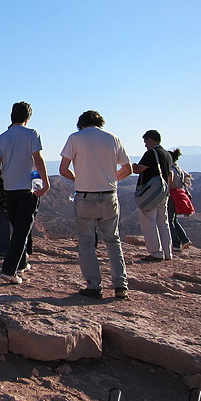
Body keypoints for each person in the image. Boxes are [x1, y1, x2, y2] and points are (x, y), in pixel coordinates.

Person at [59, 110, 133, 300]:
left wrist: (79, 179)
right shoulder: (113, 138)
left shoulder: (75, 138)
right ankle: (120, 286)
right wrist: (110, 179)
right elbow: (128, 169)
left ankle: (94, 286)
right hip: (109, 195)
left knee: (86, 242)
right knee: (113, 240)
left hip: (85, 196)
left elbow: (63, 169)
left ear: (81, 124)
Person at [0, 102, 50, 285]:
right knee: (22, 230)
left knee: (18, 227)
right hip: (28, 188)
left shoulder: (2, 137)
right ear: (28, 117)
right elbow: (38, 159)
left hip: (9, 189)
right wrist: (45, 183)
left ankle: (21, 263)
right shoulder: (32, 134)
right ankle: (9, 270)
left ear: (11, 116)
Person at [132, 130, 174, 262]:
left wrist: (130, 165)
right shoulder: (167, 154)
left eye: (146, 141)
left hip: (151, 193)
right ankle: (167, 253)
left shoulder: (151, 153)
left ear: (151, 140)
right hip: (163, 192)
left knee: (148, 221)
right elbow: (170, 175)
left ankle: (156, 252)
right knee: (163, 222)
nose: (145, 145)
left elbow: (138, 169)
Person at [168, 148, 192, 253]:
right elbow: (187, 175)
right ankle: (185, 240)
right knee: (173, 219)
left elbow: (170, 181)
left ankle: (176, 244)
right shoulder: (177, 167)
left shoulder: (171, 169)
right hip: (179, 194)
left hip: (172, 195)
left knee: (169, 221)